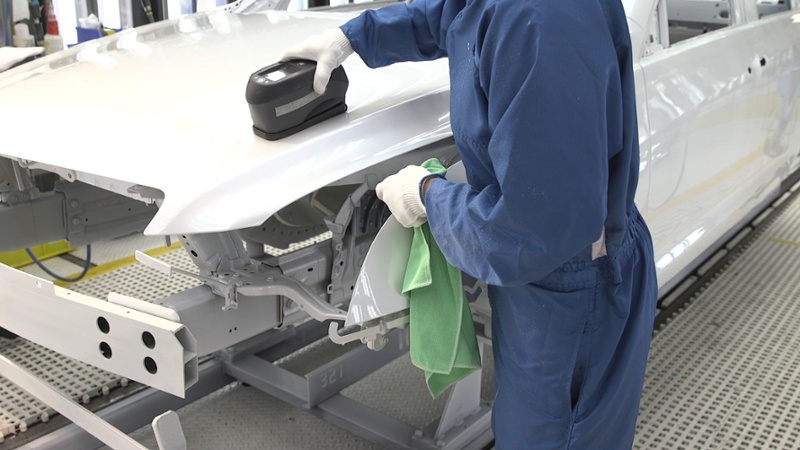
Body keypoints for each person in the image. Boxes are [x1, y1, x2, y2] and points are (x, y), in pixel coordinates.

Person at [282, 0, 658, 448]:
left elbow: (534, 228)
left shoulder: (540, 21)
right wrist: (355, 36)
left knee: (550, 437)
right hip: (547, 282)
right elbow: (454, 13)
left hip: (571, 288)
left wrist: (430, 196)